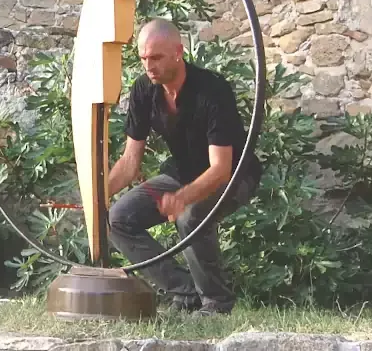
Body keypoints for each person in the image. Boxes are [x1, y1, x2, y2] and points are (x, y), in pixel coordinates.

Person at [107, 18, 263, 317]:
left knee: (190, 216)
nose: (148, 66)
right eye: (143, 58)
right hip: (180, 173)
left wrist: (183, 198)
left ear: (178, 52)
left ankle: (216, 304)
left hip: (234, 176)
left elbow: (221, 169)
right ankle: (185, 291)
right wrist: (95, 195)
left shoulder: (212, 90)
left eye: (156, 57)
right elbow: (129, 162)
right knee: (118, 218)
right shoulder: (144, 90)